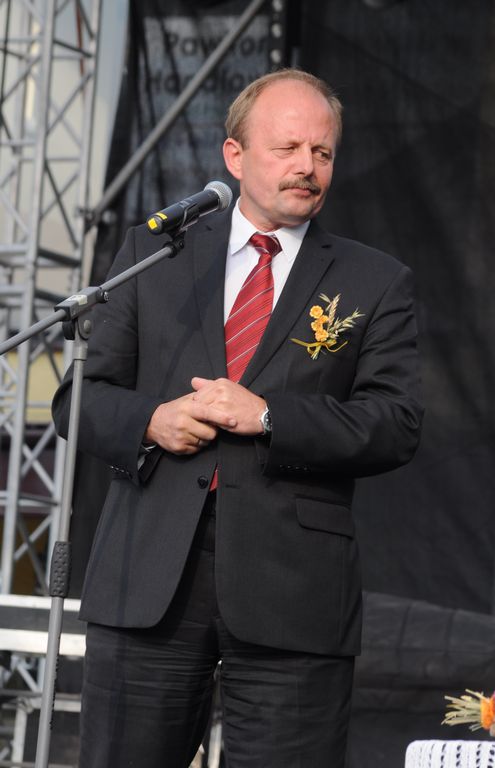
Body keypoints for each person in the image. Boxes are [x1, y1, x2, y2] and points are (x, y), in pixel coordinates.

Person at [53, 68, 423, 768]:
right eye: (287, 148)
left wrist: (271, 416)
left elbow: (396, 423)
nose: (307, 167)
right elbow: (81, 397)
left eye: (322, 152)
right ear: (234, 156)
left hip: (293, 590)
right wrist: (153, 420)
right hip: (149, 574)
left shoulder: (373, 281)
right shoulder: (155, 256)